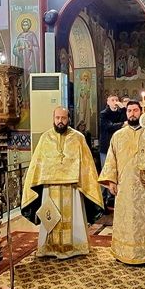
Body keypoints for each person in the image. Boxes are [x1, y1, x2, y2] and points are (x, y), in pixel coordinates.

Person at [21, 107, 104, 259]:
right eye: (57, 118)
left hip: (72, 188)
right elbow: (37, 164)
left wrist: (87, 183)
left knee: (75, 217)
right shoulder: (45, 138)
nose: (60, 121)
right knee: (50, 216)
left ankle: (76, 246)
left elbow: (87, 165)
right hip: (50, 187)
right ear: (53, 118)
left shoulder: (78, 138)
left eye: (63, 118)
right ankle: (49, 247)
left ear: (68, 119)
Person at [99, 100, 145, 265]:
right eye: (129, 111)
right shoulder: (118, 135)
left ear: (141, 111)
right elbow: (111, 160)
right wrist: (111, 181)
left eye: (135, 110)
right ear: (126, 113)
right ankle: (123, 251)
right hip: (124, 186)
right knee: (126, 220)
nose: (132, 114)